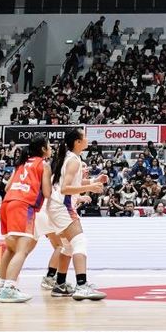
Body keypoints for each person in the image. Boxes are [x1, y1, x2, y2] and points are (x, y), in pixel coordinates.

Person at [36, 128, 108, 300]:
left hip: (56, 206)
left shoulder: (70, 157)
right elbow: (65, 188)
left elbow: (71, 181)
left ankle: (60, 284)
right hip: (62, 206)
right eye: (84, 137)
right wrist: (90, 188)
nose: (87, 139)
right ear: (77, 142)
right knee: (80, 242)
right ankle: (82, 286)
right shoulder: (74, 160)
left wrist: (94, 180)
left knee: (68, 247)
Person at [0, 135, 52, 303]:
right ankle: (9, 289)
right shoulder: (43, 164)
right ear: (43, 149)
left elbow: (7, 187)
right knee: (22, 250)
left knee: (11, 248)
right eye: (49, 145)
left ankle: (2, 285)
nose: (51, 148)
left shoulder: (21, 163)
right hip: (24, 206)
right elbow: (48, 193)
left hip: (7, 204)